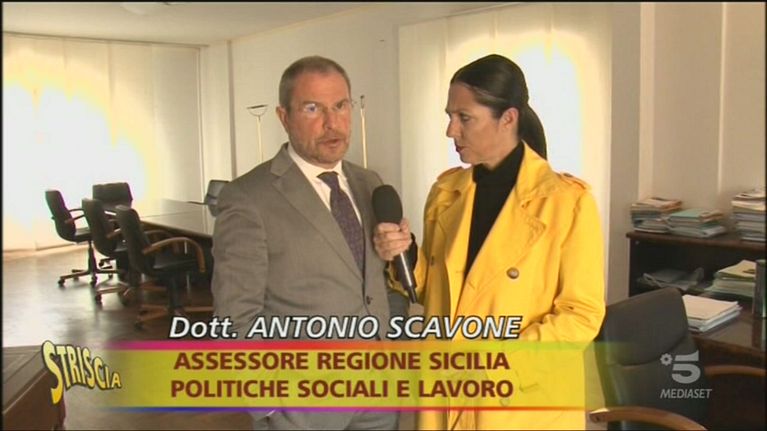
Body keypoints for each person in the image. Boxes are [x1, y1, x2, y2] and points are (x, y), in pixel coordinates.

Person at [373, 54, 606, 430]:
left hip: (519, 400)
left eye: (464, 118)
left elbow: (581, 315)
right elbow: (436, 290)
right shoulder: (445, 192)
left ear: (508, 118)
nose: (451, 130)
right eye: (449, 116)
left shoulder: (567, 202)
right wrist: (405, 252)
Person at [212, 56, 398, 430]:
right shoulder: (248, 197)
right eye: (313, 108)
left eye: (340, 106)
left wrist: (393, 251)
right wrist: (268, 408)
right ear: (284, 117)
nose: (332, 123)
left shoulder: (370, 183)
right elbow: (235, 315)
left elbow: (370, 283)